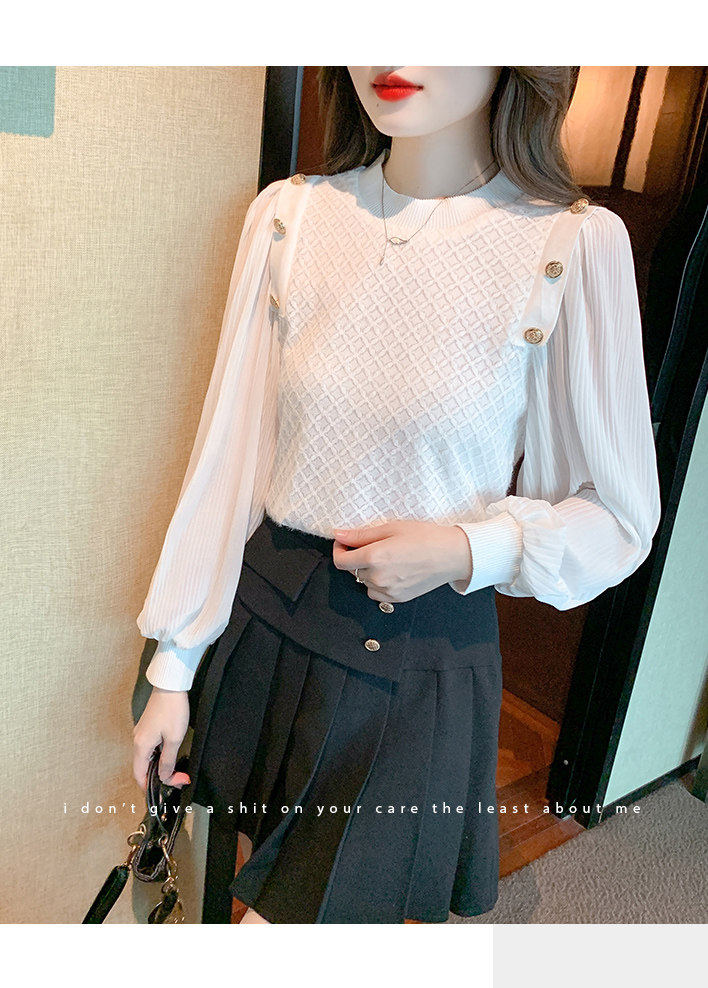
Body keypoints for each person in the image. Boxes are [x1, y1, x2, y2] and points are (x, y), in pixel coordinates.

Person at [132, 66, 661, 924]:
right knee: (233, 891)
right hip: (267, 623)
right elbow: (228, 457)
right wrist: (174, 664)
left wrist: (469, 548)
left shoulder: (571, 245)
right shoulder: (289, 217)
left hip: (419, 654)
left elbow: (620, 515)